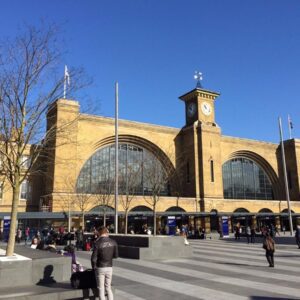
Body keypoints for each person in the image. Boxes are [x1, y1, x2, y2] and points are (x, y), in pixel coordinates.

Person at [91, 226, 118, 300]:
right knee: (108, 287)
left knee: (101, 288)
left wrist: (94, 267)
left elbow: (93, 259)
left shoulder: (97, 243)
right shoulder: (113, 242)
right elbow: (116, 256)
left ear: (99, 233)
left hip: (100, 267)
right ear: (106, 232)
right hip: (109, 266)